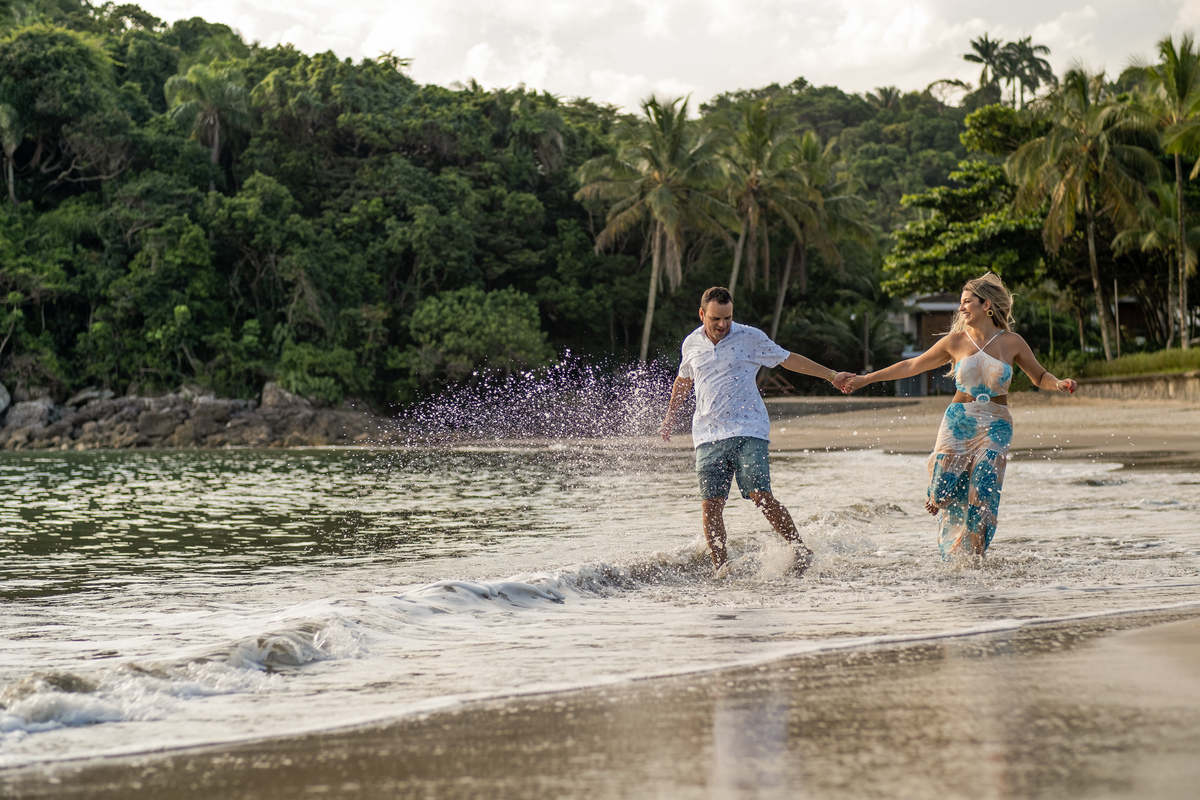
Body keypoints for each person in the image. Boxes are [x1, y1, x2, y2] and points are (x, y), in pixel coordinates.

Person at [843, 273, 1077, 559]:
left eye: (967, 302)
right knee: (942, 495)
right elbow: (911, 365)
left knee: (984, 494)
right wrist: (866, 379)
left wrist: (1059, 383)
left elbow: (1039, 376)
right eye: (961, 303)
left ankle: (975, 560)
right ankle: (948, 534)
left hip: (996, 423)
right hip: (959, 421)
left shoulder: (1012, 342)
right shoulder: (954, 342)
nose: (961, 308)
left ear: (986, 305)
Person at [660, 286, 854, 575]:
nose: (723, 324)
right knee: (711, 506)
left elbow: (789, 359)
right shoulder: (691, 344)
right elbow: (683, 380)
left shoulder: (750, 337)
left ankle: (799, 549)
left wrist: (830, 375)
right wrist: (669, 417)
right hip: (707, 435)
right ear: (702, 314)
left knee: (759, 494)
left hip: (749, 428)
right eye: (715, 318)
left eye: (727, 317)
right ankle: (721, 569)